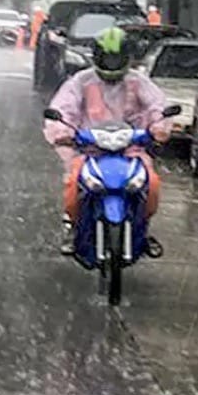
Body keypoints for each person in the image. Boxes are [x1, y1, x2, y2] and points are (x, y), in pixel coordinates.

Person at [42, 27, 172, 255]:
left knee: (150, 184)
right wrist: (62, 131)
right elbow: (62, 108)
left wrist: (159, 127)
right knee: (75, 184)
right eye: (107, 58)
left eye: (116, 58)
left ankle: (143, 229)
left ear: (127, 58)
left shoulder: (138, 82)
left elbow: (157, 106)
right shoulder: (81, 82)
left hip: (132, 149)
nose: (112, 64)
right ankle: (73, 227)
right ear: (97, 57)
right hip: (89, 150)